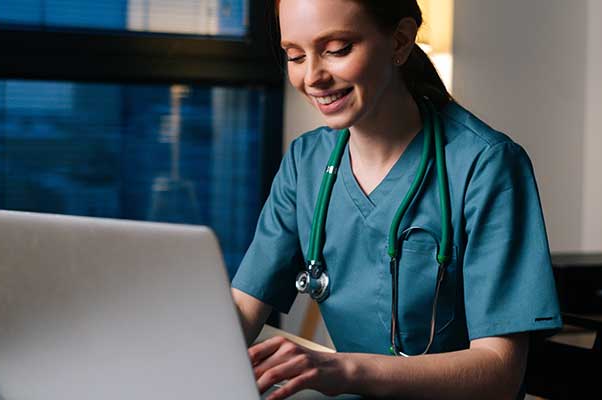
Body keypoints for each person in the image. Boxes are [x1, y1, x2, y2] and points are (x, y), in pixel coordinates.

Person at [230, 0, 562, 399]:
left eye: (336, 49)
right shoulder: (307, 162)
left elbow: (500, 371)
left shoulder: (486, 165)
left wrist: (342, 368)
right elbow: (241, 313)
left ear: (400, 41)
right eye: (296, 56)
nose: (312, 76)